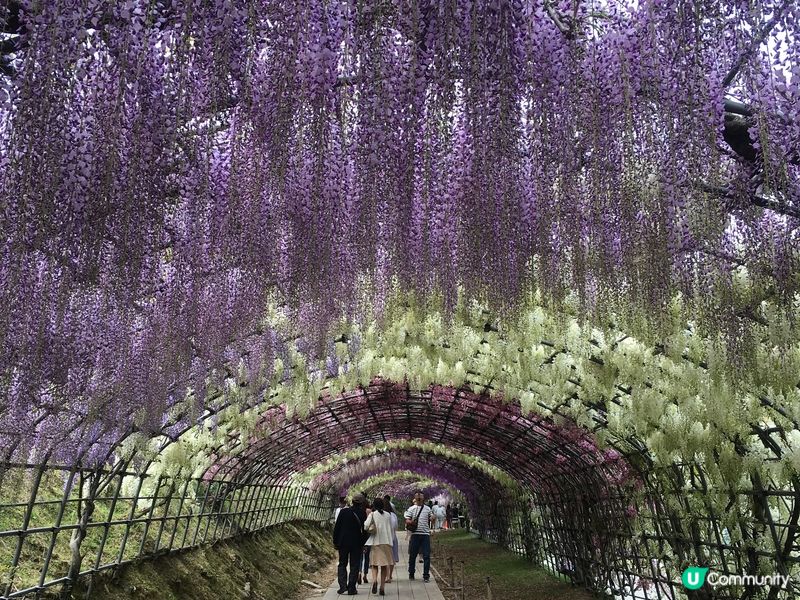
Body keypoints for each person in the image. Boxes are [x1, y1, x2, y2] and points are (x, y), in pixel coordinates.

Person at [333, 493, 368, 595]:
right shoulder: (362, 513)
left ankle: (343, 586)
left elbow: (337, 527)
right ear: (362, 503)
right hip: (356, 542)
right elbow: (364, 530)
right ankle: (352, 588)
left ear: (352, 501)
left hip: (343, 542)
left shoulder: (343, 512)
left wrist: (335, 541)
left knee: (342, 563)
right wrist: (363, 543)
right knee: (354, 564)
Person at [364, 497, 395, 596]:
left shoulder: (372, 514)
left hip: (376, 543)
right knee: (385, 566)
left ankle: (374, 581)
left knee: (374, 565)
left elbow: (366, 526)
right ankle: (382, 587)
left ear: (374, 505)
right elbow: (392, 527)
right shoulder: (388, 515)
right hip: (387, 542)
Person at [404, 490, 434, 582]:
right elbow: (407, 520)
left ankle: (426, 575)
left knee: (426, 555)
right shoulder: (411, 508)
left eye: (420, 497)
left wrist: (433, 518)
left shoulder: (428, 509)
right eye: (417, 497)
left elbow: (432, 518)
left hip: (425, 534)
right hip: (415, 534)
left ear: (423, 498)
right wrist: (410, 521)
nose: (419, 498)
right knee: (412, 555)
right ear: (415, 498)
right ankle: (411, 573)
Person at [385, 500, 400, 583]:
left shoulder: (381, 514)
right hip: (393, 538)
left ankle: (387, 576)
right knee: (392, 557)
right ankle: (390, 575)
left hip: (384, 539)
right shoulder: (393, 515)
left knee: (386, 558)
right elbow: (396, 527)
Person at [359, 496, 372, 585]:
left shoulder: (358, 511)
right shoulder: (369, 512)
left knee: (360, 556)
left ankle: (359, 573)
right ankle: (365, 575)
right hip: (368, 536)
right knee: (367, 556)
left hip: (359, 536)